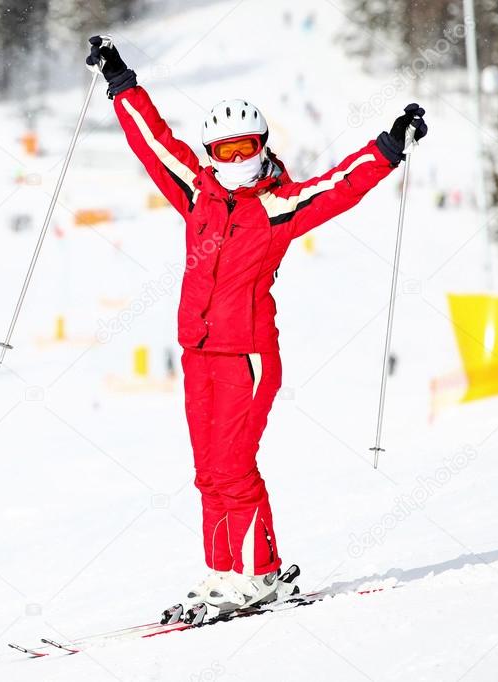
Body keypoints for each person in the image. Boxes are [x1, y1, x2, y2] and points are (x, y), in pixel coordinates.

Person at [85, 36, 428, 624]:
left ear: (263, 146)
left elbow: (338, 185)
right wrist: (120, 80)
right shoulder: (199, 192)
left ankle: (255, 578)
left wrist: (390, 146)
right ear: (212, 153)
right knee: (209, 473)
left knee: (234, 468)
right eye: (224, 148)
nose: (236, 157)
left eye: (246, 146)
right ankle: (227, 573)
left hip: (249, 355)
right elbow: (154, 145)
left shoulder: (278, 206)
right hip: (198, 352)